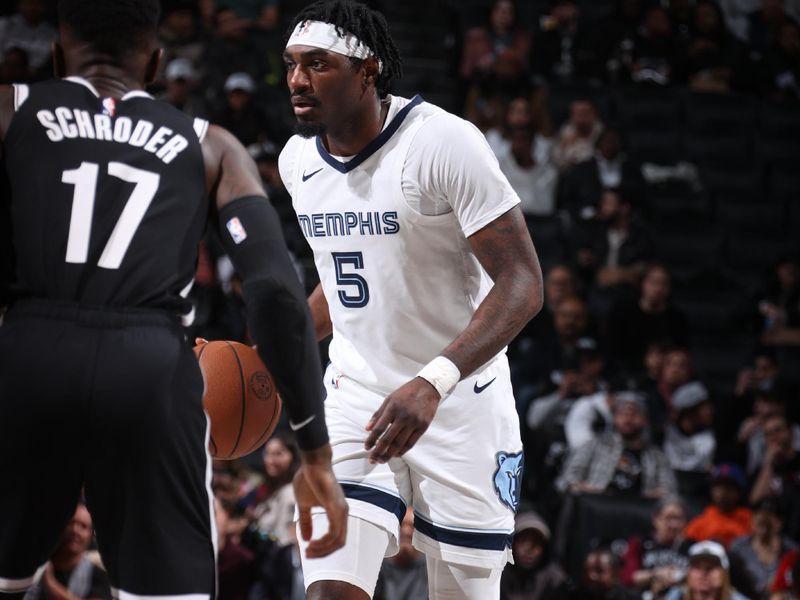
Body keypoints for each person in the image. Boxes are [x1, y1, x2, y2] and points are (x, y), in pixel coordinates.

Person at [0, 1, 347, 596]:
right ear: (156, 63)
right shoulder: (211, 145)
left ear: (57, 58)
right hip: (151, 369)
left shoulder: (9, 107)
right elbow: (276, 296)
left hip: (28, 353)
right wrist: (314, 453)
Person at [280, 2, 544, 599]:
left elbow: (524, 284)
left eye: (316, 64)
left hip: (459, 403)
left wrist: (433, 381)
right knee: (328, 590)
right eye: (292, 65)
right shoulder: (297, 162)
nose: (297, 80)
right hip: (355, 399)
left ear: (367, 69)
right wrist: (272, 351)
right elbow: (347, 280)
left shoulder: (444, 143)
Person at [557, 392, 677, 498]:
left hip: (638, 515)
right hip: (597, 509)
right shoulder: (594, 445)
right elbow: (566, 480)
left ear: (644, 420)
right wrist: (591, 490)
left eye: (634, 414)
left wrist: (646, 495)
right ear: (614, 418)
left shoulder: (656, 456)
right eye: (623, 414)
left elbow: (669, 490)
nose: (628, 419)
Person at [23, 503, 112, 600]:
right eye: (70, 523)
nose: (75, 530)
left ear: (91, 537)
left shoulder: (98, 577)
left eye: (83, 526)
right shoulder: (34, 564)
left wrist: (50, 584)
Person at [620, 497, 691, 597]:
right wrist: (656, 574)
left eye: (679, 519)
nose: (673, 525)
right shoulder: (639, 543)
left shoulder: (692, 548)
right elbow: (627, 577)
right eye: (669, 518)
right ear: (656, 519)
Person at [729, 497, 798, 600]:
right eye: (758, 517)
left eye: (768, 521)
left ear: (780, 522)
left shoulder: (792, 550)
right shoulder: (738, 546)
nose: (763, 522)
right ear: (752, 520)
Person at [500, 510, 569, 600]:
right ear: (512, 544)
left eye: (535, 542)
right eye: (523, 540)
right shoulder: (497, 574)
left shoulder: (555, 582)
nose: (528, 549)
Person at [685, 464, 753, 548]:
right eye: (718, 487)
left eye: (728, 487)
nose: (722, 493)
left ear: (739, 491)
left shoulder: (750, 520)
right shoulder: (701, 522)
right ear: (711, 490)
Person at [665, 541, 750, 600]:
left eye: (710, 568)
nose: (703, 573)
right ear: (689, 573)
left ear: (724, 574)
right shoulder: (675, 596)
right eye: (697, 567)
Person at [373, 508, 428, 600]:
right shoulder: (377, 566)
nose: (406, 531)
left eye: (413, 526)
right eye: (402, 525)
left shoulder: (430, 569)